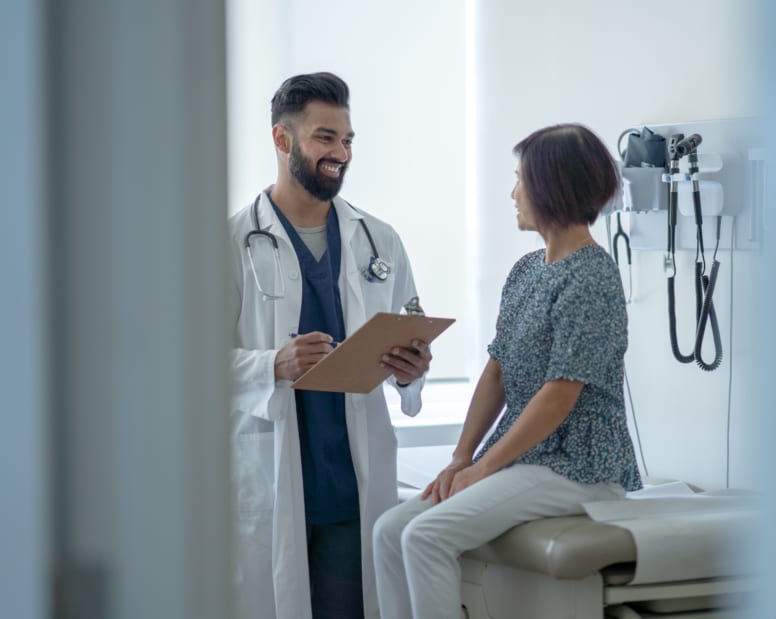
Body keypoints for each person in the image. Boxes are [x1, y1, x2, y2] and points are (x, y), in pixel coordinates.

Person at [372, 123, 643, 619]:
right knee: (390, 530)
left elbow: (559, 396)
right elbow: (496, 373)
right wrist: (460, 457)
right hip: (529, 458)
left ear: (550, 187)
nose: (513, 192)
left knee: (426, 535)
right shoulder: (526, 270)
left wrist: (485, 467)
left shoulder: (592, 277)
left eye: (520, 178)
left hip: (579, 465)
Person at [229, 72, 431, 619]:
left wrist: (411, 369)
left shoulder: (378, 239)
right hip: (271, 473)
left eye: (347, 140)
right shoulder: (230, 241)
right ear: (282, 139)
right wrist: (274, 363)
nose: (340, 153)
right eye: (325, 138)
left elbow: (408, 328)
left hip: (349, 481)